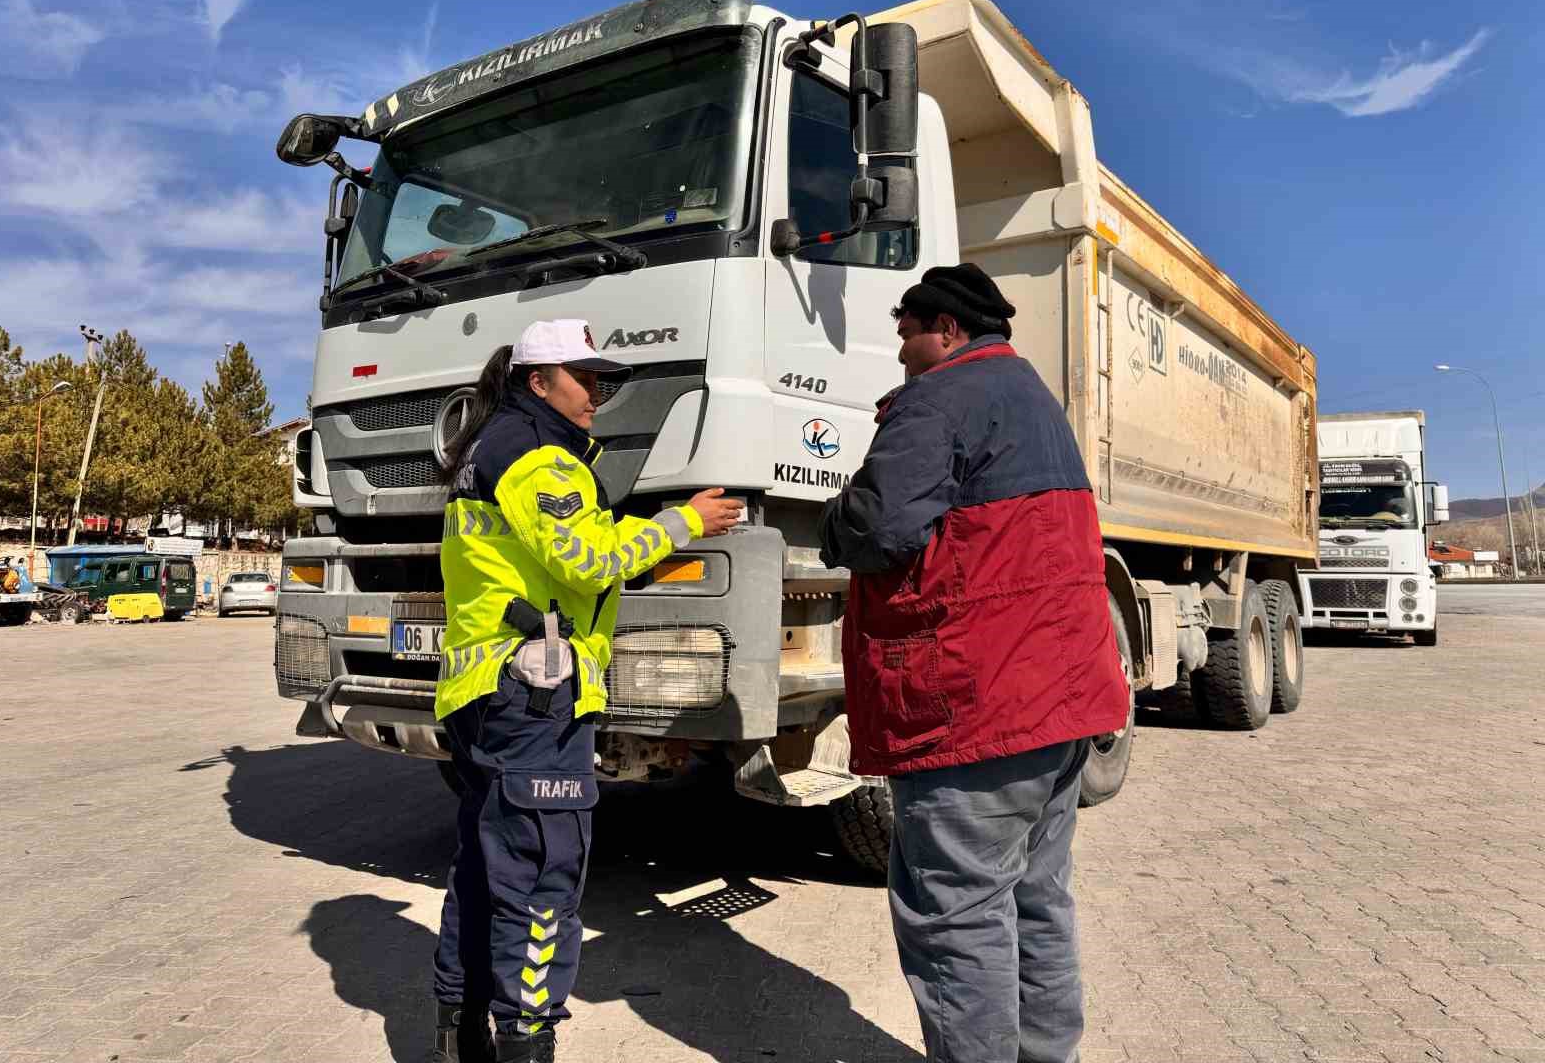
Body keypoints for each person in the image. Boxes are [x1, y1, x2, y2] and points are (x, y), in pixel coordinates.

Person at [819, 262, 1130, 1063]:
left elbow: (880, 529)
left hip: (977, 708)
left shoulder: (936, 399)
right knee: (1036, 899)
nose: (900, 352)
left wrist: (832, 518)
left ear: (947, 330)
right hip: (1058, 704)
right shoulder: (1034, 398)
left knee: (956, 916)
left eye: (907, 334)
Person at [431, 318, 742, 1063]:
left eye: (602, 380)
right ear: (539, 382)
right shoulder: (540, 459)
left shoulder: (488, 446)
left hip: (483, 691)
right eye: (584, 379)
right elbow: (587, 559)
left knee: (485, 864)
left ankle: (459, 1032)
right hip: (535, 697)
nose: (596, 394)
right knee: (544, 878)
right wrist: (681, 521)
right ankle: (525, 1041)